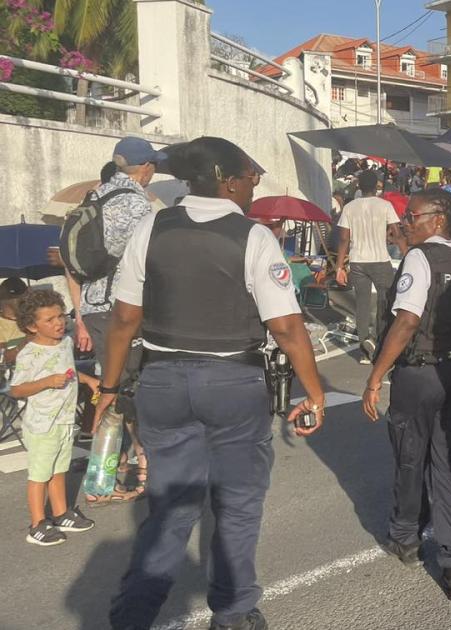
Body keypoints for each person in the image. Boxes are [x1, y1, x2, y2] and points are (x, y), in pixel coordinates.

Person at [101, 137, 326, 630]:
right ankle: (235, 610)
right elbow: (286, 328)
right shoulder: (253, 236)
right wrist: (314, 390)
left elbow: (122, 321)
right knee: (238, 506)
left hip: (161, 379)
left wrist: (109, 389)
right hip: (232, 381)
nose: (255, 183)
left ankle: (132, 615)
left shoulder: (152, 226)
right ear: (227, 179)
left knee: (170, 510)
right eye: (250, 175)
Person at [361, 189, 451, 600]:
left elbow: (408, 320)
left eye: (412, 216)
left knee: (411, 460)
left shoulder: (421, 258)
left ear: (438, 220)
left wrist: (376, 375)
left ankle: (407, 540)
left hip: (420, 372)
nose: (405, 223)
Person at [66, 135, 162, 501]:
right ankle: (141, 470)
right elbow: (146, 259)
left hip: (93, 307)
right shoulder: (137, 203)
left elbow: (72, 264)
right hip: (122, 308)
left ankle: (110, 470)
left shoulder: (95, 196)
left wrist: (79, 313)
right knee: (127, 389)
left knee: (113, 384)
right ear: (147, 169)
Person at [9, 289, 100, 546]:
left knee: (59, 469)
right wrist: (46, 382)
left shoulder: (65, 344)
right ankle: (38, 522)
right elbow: (16, 389)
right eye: (49, 320)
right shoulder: (30, 353)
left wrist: (89, 380)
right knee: (40, 474)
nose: (59, 322)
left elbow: (69, 373)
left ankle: (61, 513)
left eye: (60, 316)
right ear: (31, 326)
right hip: (42, 423)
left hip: (64, 420)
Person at [336, 170, 403, 363]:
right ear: (377, 186)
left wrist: (340, 266)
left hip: (357, 261)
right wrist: (406, 251)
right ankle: (381, 345)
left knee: (362, 304)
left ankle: (365, 349)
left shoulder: (350, 207)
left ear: (359, 186)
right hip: (380, 260)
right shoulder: (385, 205)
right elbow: (396, 233)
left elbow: (343, 238)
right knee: (385, 303)